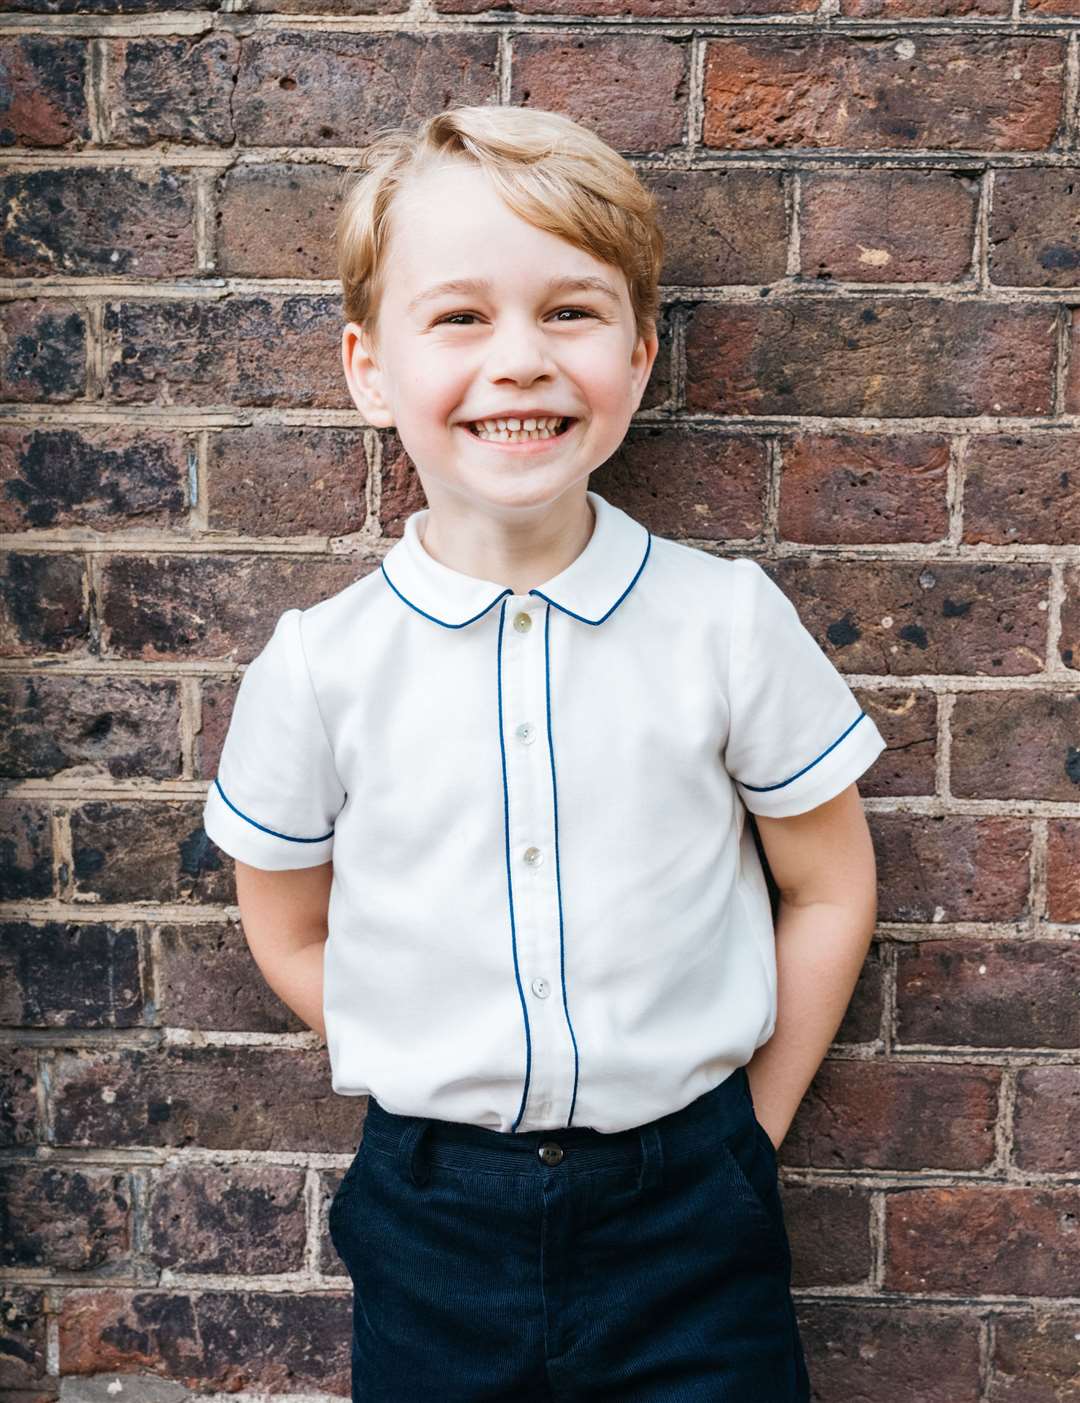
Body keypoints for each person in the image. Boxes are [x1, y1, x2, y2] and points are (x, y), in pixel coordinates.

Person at [201, 102, 887, 1402]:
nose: (519, 359)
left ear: (636, 355)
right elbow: (289, 928)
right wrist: (430, 1036)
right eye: (460, 317)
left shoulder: (725, 622)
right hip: (434, 1221)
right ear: (368, 367)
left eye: (569, 311)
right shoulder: (321, 663)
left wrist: (752, 1131)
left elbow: (829, 883)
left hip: (692, 1214)